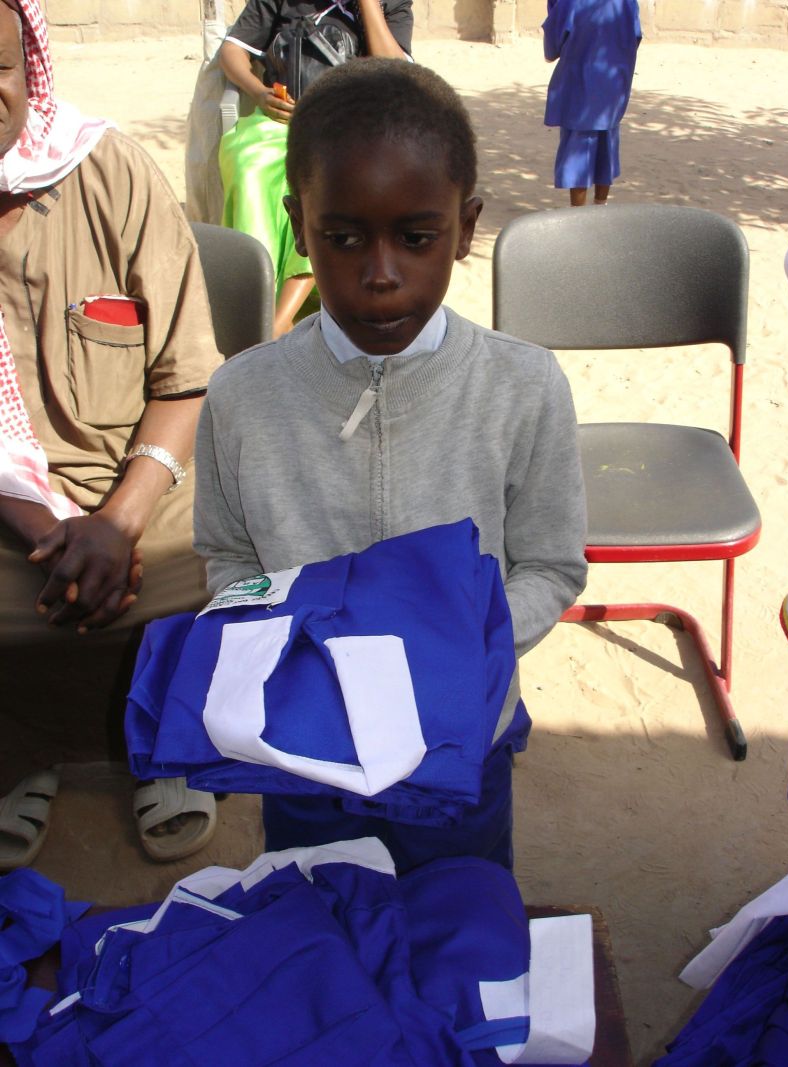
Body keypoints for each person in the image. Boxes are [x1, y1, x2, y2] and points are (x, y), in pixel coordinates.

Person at [193, 58, 588, 872]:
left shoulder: (523, 386)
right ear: (299, 225)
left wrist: (457, 646)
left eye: (416, 238)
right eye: (342, 238)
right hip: (307, 744)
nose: (380, 275)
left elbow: (550, 564)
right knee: (319, 913)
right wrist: (292, 648)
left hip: (459, 730)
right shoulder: (240, 397)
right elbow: (228, 556)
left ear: (466, 228)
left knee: (456, 910)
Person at [0, 0, 223, 867]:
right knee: (39, 589)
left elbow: (187, 377)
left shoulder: (111, 172)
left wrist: (117, 523)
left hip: (144, 485)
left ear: (29, 68)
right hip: (10, 513)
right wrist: (50, 533)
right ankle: (21, 752)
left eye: (0, 69)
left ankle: (166, 745)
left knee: (231, 550)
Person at [217, 0, 413, 337]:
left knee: (324, 183)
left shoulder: (392, 4)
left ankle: (279, 320)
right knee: (249, 166)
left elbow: (397, 73)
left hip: (350, 127)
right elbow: (232, 50)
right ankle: (257, 295)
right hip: (279, 122)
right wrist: (259, 93)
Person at [542, 0, 641, 207]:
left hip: (579, 89)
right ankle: (600, 206)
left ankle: (578, 213)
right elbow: (635, 37)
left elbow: (551, 50)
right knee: (607, 145)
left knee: (579, 151)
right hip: (613, 86)